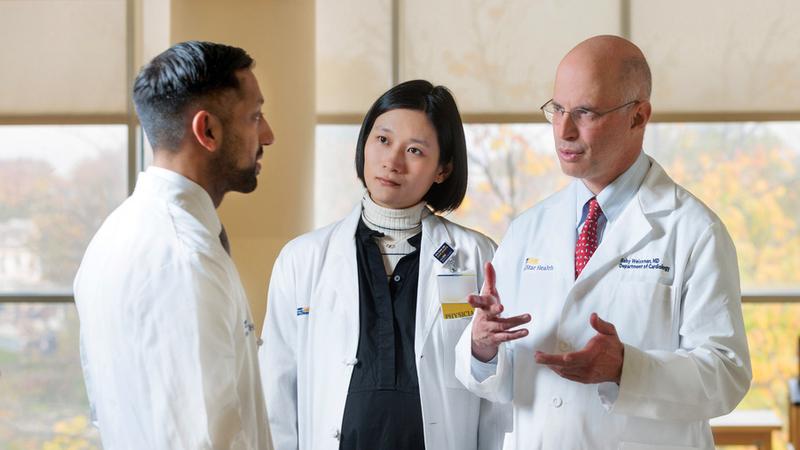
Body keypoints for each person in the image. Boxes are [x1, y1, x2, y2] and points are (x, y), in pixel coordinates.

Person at [455, 35, 752, 449]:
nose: (564, 130)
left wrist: (627, 368)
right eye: (557, 109)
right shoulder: (528, 229)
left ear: (638, 117)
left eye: (585, 112)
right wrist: (482, 345)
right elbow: (496, 383)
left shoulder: (694, 230)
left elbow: (727, 375)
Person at [260, 80, 507, 450]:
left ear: (442, 169)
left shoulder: (477, 256)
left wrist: (486, 352)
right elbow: (276, 390)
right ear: (364, 144)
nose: (392, 161)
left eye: (414, 150)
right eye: (383, 140)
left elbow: (498, 404)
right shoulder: (303, 259)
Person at [74, 41, 274, 449]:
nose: (268, 135)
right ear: (208, 131)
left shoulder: (112, 238)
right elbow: (204, 438)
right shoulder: (187, 258)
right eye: (254, 117)